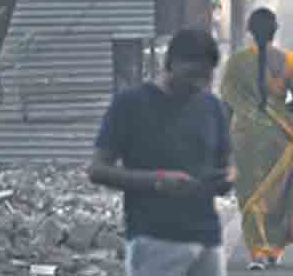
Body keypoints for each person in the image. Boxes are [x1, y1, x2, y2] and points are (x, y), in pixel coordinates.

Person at [89, 29, 235, 276]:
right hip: (154, 238)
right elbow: (98, 170)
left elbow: (227, 163)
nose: (198, 84)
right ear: (172, 63)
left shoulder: (212, 106)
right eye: (192, 75)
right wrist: (157, 180)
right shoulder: (130, 104)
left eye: (205, 77)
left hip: (208, 237)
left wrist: (228, 176)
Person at [219, 8, 293, 271]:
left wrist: (223, 140)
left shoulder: (235, 63)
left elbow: (226, 104)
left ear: (249, 30)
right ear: (275, 30)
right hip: (277, 136)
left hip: (244, 135)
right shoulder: (289, 61)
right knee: (279, 192)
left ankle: (257, 252)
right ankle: (274, 248)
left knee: (250, 192)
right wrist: (286, 115)